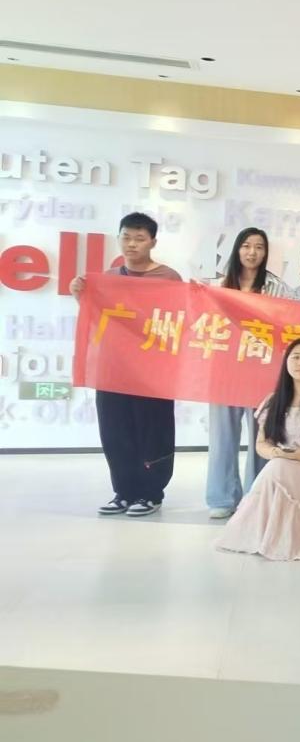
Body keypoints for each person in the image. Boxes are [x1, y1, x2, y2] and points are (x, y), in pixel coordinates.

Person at [71, 212, 183, 518]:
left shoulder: (169, 278)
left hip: (152, 373)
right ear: (119, 238)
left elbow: (178, 321)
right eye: (126, 237)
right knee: (115, 432)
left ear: (153, 242)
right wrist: (80, 296)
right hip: (113, 371)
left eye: (139, 238)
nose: (132, 244)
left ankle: (152, 493)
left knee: (153, 432)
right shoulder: (108, 278)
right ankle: (124, 491)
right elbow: (98, 319)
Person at [215, 339, 300, 560]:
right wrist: (275, 453)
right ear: (286, 362)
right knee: (277, 467)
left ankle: (269, 537)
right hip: (282, 468)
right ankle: (263, 537)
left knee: (277, 469)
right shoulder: (273, 401)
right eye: (295, 357)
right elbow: (261, 444)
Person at [206, 226, 289, 520]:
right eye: (246, 246)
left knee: (261, 437)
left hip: (261, 373)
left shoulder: (277, 288)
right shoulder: (218, 286)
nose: (252, 252)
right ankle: (222, 497)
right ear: (237, 249)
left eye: (259, 247)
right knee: (222, 438)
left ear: (265, 253)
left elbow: (288, 325)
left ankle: (257, 497)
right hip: (224, 372)